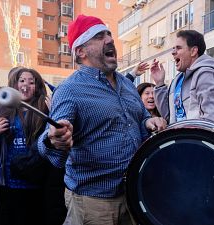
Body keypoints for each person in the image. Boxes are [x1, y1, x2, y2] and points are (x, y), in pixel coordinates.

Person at [36, 14, 166, 225]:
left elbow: (141, 117)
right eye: (98, 36)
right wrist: (55, 140)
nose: (109, 40)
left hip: (134, 194)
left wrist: (149, 123)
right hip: (93, 204)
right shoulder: (69, 90)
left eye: (109, 34)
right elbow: (50, 144)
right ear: (81, 51)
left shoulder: (126, 83)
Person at [0, 68, 66, 225]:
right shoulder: (4, 110)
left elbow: (56, 139)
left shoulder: (45, 109)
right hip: (10, 183)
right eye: (22, 81)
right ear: (15, 85)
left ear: (37, 87)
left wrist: (54, 115)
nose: (26, 85)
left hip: (37, 183)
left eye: (32, 82)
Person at [151, 30, 214, 124]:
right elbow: (169, 117)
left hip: (197, 138)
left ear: (193, 51)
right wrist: (159, 83)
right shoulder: (177, 80)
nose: (173, 52)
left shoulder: (206, 74)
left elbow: (209, 121)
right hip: (181, 137)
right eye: (173, 48)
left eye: (178, 48)